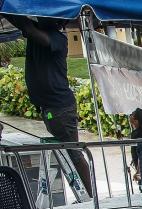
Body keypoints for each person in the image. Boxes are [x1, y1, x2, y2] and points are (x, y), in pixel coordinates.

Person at [3, 14, 92, 194]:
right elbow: (25, 26)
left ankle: (92, 196)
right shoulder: (38, 34)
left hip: (61, 109)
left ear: (58, 22)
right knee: (66, 154)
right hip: (51, 110)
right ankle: (84, 195)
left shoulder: (58, 39)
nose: (38, 17)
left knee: (73, 153)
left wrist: (5, 8)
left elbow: (27, 27)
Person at [128, 107, 142, 183]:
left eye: (132, 115)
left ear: (136, 120)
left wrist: (138, 172)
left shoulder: (139, 133)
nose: (130, 116)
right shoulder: (141, 129)